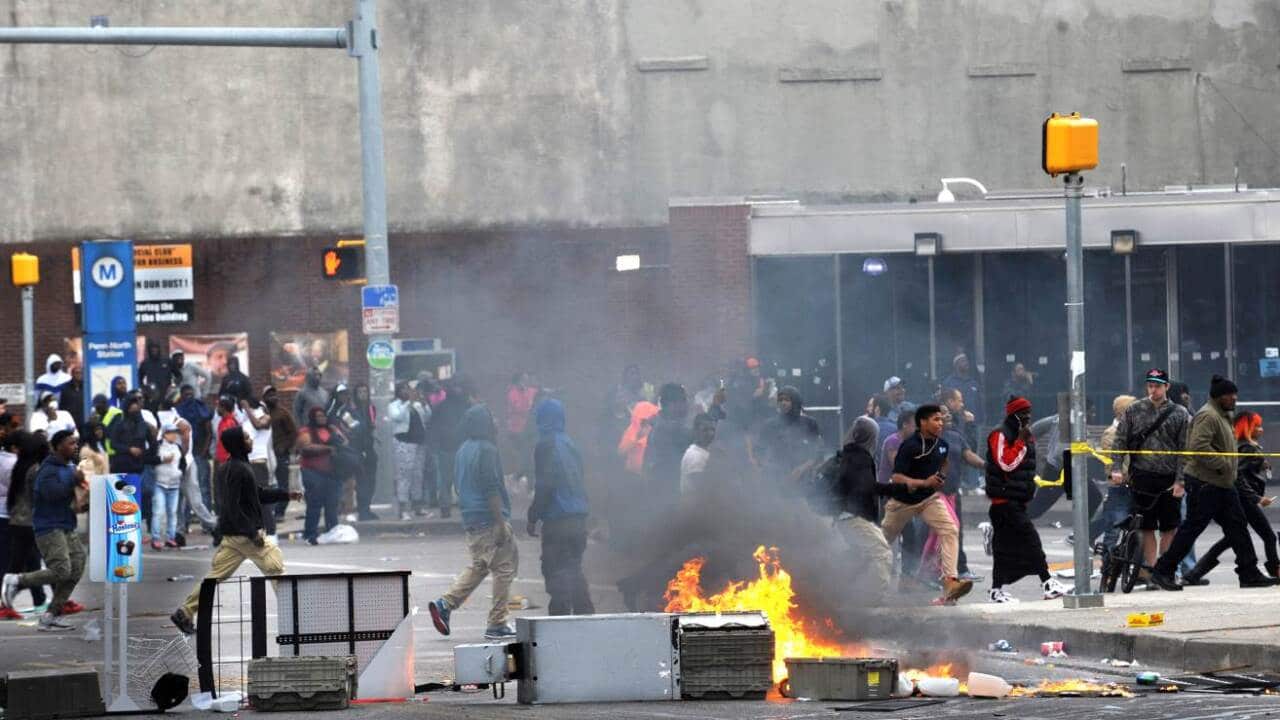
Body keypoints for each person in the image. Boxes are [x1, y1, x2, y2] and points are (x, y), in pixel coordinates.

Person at [1149, 376, 1278, 591]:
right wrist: (1224, 464)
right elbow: (1198, 447)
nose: (1234, 398)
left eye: (1234, 394)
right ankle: (1163, 570)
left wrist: (1227, 468)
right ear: (1218, 397)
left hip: (1222, 483)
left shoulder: (1224, 415)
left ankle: (1249, 572)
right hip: (1205, 483)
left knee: (1237, 527)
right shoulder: (1207, 416)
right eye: (1229, 395)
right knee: (1192, 528)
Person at [170, 426, 301, 635]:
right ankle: (294, 618)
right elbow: (233, 506)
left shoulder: (234, 466)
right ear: (239, 443)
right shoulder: (238, 469)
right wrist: (252, 532)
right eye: (247, 437)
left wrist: (286, 495)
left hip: (233, 535)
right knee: (275, 568)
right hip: (244, 535)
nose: (250, 440)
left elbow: (256, 494)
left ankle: (185, 612)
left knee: (215, 576)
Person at [429, 405, 518, 640]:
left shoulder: (463, 449)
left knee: (481, 565)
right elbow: (491, 487)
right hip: (488, 518)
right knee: (504, 569)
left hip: (471, 517)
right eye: (492, 418)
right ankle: (497, 623)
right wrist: (499, 522)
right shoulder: (487, 449)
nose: (496, 421)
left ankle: (445, 605)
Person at [882, 404, 972, 604]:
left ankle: (950, 584)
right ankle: (858, 576)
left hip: (929, 499)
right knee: (882, 540)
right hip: (902, 501)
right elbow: (897, 477)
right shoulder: (905, 447)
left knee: (950, 529)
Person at [984, 397, 1069, 603]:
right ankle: (1047, 582)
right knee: (1031, 541)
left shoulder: (1024, 434)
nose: (1027, 417)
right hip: (1004, 502)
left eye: (1029, 413)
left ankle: (996, 590)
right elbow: (1006, 463)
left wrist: (1025, 440)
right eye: (1023, 413)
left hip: (1017, 500)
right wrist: (1022, 441)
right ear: (1013, 415)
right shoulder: (1000, 434)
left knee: (1003, 549)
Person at [2, 430, 86, 632]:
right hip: (49, 526)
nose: (74, 446)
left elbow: (72, 498)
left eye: (75, 443)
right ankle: (18, 580)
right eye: (69, 443)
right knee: (61, 570)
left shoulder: (70, 467)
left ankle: (51, 614)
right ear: (57, 447)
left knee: (77, 565)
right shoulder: (47, 470)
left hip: (66, 524)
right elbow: (50, 494)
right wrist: (73, 481)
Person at [1182, 410, 1280, 582]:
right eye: (1257, 426)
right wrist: (1256, 498)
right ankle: (1274, 569)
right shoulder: (1245, 448)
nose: (1261, 429)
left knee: (1230, 539)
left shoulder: (1247, 446)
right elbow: (1237, 477)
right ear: (1247, 428)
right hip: (1245, 500)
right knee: (1267, 535)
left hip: (1244, 499)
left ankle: (1194, 573)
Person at [1118, 369, 1191, 573]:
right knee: (1146, 526)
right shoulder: (1134, 410)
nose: (1153, 390)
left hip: (1169, 477)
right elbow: (1120, 440)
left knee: (1170, 526)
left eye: (1158, 386)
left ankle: (1163, 568)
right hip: (1142, 475)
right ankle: (1151, 569)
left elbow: (1185, 450)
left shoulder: (1179, 413)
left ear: (1166, 387)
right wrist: (1117, 468)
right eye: (1150, 385)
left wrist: (1180, 481)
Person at [527, 399, 593, 616]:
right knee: (573, 569)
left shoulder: (545, 444)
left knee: (556, 572)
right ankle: (586, 616)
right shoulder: (569, 443)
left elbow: (545, 484)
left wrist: (533, 515)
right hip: (578, 517)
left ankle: (558, 621)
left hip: (558, 519)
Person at [835, 416, 894, 601]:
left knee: (859, 556)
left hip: (847, 516)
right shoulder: (860, 458)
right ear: (871, 437)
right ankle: (874, 598)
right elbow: (865, 488)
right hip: (854, 517)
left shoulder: (848, 453)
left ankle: (837, 591)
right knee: (881, 552)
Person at [1, 432, 49, 619]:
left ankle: (36, 600)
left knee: (19, 563)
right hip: (26, 520)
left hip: (15, 518)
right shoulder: (26, 467)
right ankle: (50, 601)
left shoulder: (19, 465)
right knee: (41, 562)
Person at [1086, 395, 1137, 553]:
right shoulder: (1111, 433)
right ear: (1122, 413)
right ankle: (1108, 565)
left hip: (1135, 485)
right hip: (1120, 485)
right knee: (1113, 529)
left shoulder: (1134, 430)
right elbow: (1113, 462)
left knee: (1134, 527)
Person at [753, 386, 822, 489]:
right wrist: (765, 467)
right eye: (780, 400)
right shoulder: (770, 425)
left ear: (795, 402)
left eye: (787, 400)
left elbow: (818, 452)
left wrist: (801, 469)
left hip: (803, 479)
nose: (783, 403)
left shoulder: (809, 423)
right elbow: (759, 450)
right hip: (776, 478)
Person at [298, 406, 345, 544]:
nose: (321, 419)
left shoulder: (330, 429)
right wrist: (328, 448)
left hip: (331, 472)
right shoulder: (306, 431)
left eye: (323, 416)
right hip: (312, 472)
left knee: (332, 504)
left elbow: (344, 442)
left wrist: (337, 432)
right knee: (315, 504)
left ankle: (332, 531)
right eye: (318, 416)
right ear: (313, 417)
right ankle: (310, 534)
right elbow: (306, 447)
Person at [388, 381, 429, 521]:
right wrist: (408, 403)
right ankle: (403, 509)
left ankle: (418, 507)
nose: (408, 391)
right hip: (404, 442)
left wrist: (424, 404)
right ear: (398, 391)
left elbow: (427, 417)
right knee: (404, 475)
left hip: (419, 443)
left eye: (409, 389)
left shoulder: (416, 405)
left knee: (418, 475)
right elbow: (397, 417)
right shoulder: (394, 405)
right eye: (405, 389)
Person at [240, 396, 275, 538]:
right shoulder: (247, 421)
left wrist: (247, 409)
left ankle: (271, 532)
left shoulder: (265, 418)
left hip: (258, 464)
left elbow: (259, 425)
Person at [264, 386, 298, 521]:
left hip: (281, 454)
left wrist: (285, 447)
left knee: (283, 484)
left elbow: (293, 433)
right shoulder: (262, 414)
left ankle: (280, 512)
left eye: (274, 394)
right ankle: (270, 511)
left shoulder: (283, 413)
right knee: (269, 484)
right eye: (268, 395)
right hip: (266, 454)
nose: (272, 397)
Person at [151, 424, 185, 550]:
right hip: (160, 483)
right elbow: (148, 459)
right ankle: (155, 538)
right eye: (171, 432)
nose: (174, 435)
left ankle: (171, 538)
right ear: (164, 434)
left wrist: (180, 473)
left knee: (172, 512)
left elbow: (183, 463)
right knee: (158, 511)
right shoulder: (157, 445)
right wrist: (162, 459)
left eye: (175, 432)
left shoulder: (178, 447)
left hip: (174, 485)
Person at [350, 384, 378, 520]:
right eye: (360, 391)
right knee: (362, 481)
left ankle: (367, 507)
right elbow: (352, 428)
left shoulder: (371, 409)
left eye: (365, 391)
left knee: (371, 480)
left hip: (369, 447)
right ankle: (362, 510)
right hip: (358, 448)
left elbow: (373, 426)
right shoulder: (351, 410)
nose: (363, 394)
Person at [941, 353, 984, 426]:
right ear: (956, 364)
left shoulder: (973, 383)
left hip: (973, 424)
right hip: (955, 424)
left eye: (967, 361)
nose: (966, 363)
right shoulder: (948, 383)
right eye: (963, 361)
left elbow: (979, 403)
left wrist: (981, 421)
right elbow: (944, 403)